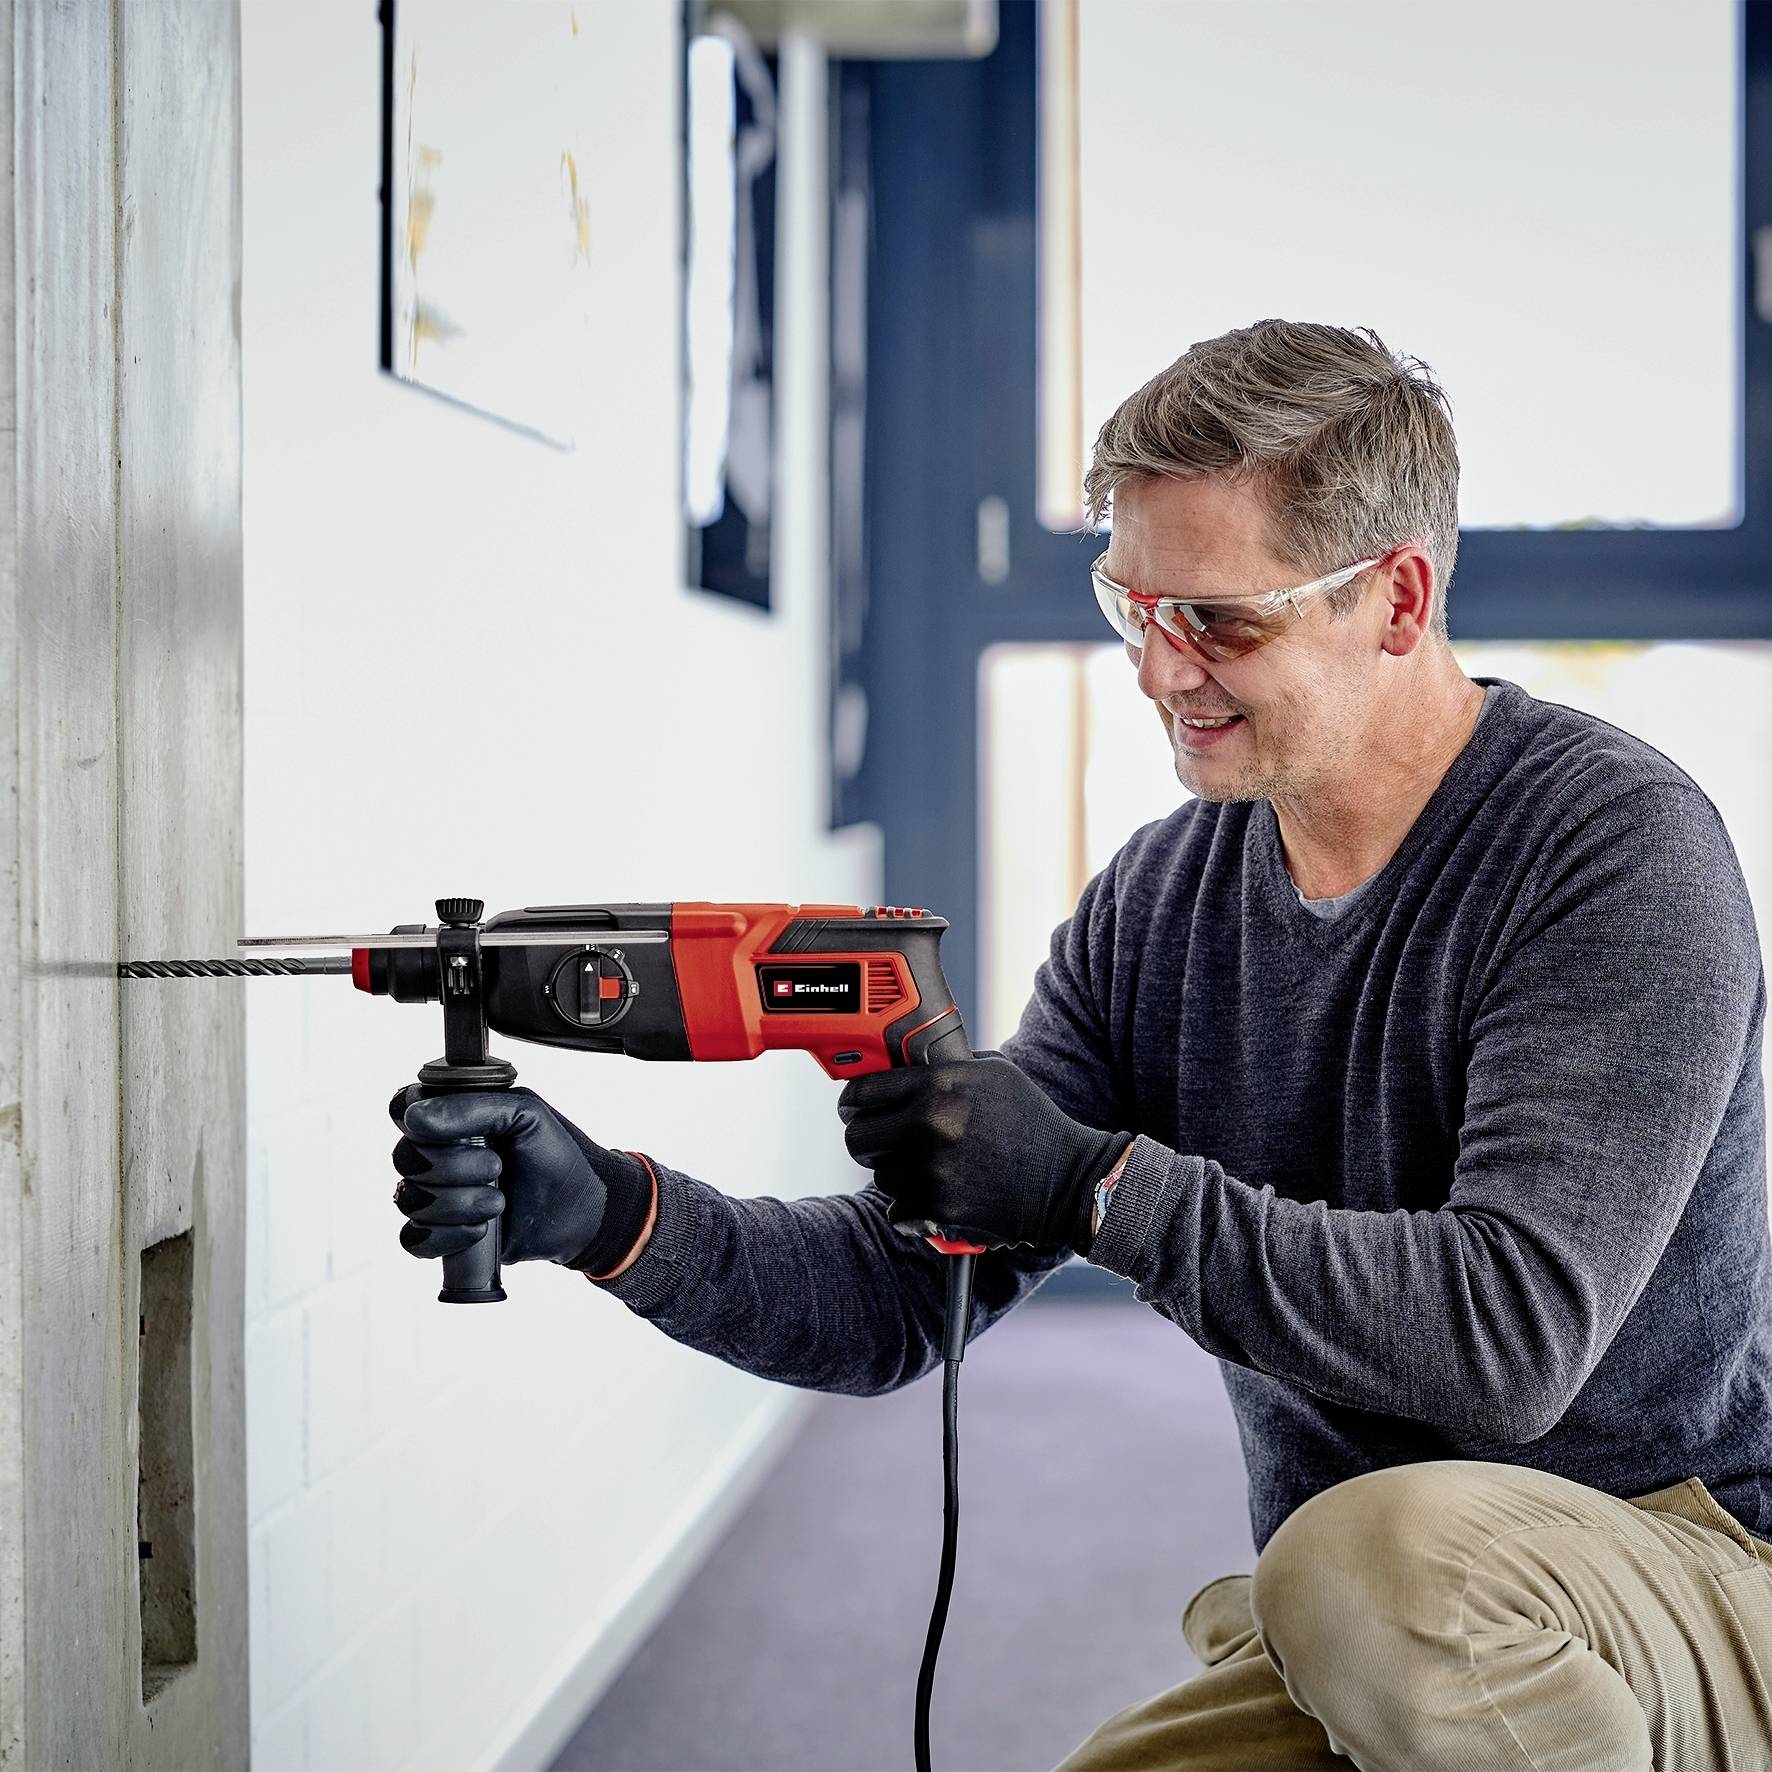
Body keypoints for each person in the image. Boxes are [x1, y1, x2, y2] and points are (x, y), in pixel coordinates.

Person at [388, 320, 1772, 1770]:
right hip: (1371, 1619)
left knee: (1370, 1568)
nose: (1161, 674)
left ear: (1400, 599)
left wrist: (1096, 1189)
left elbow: (1508, 1345)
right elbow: (898, 1295)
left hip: (1679, 1572)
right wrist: (611, 1213)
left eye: (1222, 621)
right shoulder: (1163, 904)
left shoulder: (1612, 854)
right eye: (1134, 608)